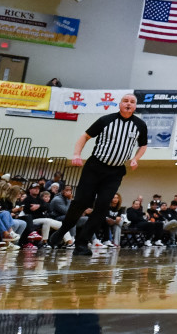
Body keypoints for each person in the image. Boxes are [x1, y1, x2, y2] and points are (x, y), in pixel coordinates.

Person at [46, 93, 147, 256]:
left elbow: (143, 145)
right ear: (120, 104)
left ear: (135, 106)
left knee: (102, 207)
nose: (128, 104)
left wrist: (136, 158)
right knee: (81, 202)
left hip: (115, 172)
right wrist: (77, 154)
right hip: (94, 167)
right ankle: (62, 232)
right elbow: (85, 136)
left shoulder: (140, 125)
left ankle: (82, 243)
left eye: (132, 102)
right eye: (125, 101)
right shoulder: (106, 120)